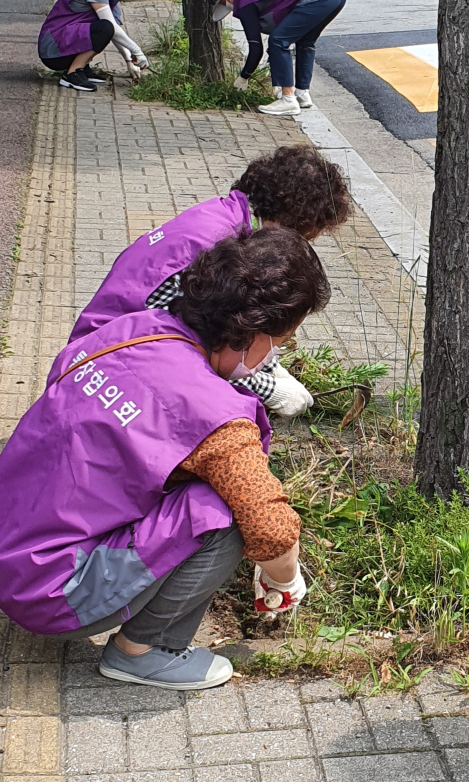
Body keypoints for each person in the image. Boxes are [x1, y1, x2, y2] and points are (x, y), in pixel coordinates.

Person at [0, 229, 330, 690]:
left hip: (14, 543)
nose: (275, 356)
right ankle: (145, 650)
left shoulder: (125, 332)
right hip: (51, 590)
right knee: (222, 511)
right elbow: (272, 531)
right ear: (250, 332)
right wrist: (285, 580)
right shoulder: (213, 413)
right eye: (280, 341)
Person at [68, 144, 351, 419]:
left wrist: (267, 362)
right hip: (106, 365)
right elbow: (194, 348)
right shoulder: (219, 246)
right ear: (293, 219)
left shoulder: (224, 215)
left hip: (103, 346)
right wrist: (268, 389)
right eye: (302, 235)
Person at [202, 0, 347, 117]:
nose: (226, 8)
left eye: (222, 3)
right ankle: (302, 94)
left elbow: (256, 48)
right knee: (305, 41)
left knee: (278, 40)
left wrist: (243, 77)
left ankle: (288, 99)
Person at [38, 0, 148, 92]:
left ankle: (82, 67)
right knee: (104, 27)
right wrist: (137, 51)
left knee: (105, 27)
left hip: (63, 45)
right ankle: (72, 73)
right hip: (52, 49)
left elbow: (115, 30)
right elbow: (110, 29)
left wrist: (129, 61)